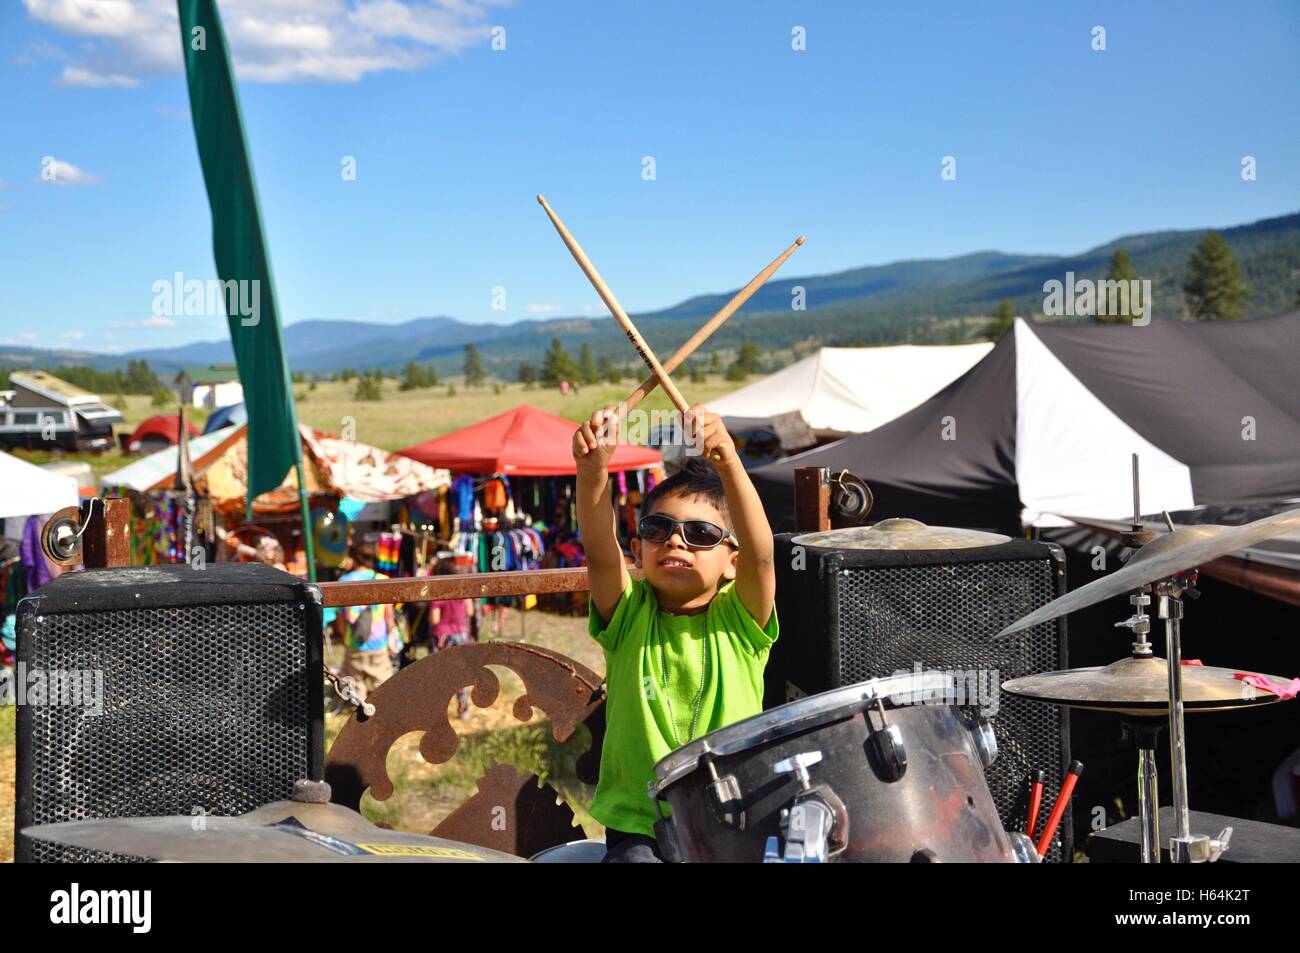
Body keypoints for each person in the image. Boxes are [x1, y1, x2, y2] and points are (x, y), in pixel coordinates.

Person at [573, 402, 778, 863]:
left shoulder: (741, 621)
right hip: (638, 825)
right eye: (658, 528)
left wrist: (726, 457)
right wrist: (592, 472)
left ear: (732, 562)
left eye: (701, 533)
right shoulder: (627, 615)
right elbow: (599, 550)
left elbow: (763, 552)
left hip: (733, 817)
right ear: (639, 548)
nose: (675, 540)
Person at [335, 537, 396, 703]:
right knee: (383, 686)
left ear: (353, 558)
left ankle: (361, 719)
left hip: (354, 643)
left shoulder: (343, 583)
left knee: (355, 687)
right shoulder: (382, 580)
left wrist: (343, 637)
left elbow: (340, 619)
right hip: (378, 643)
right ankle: (384, 719)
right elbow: (388, 616)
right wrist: (392, 635)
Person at [429, 558, 476, 719]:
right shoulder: (462, 590)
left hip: (442, 636)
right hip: (461, 635)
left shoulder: (438, 594)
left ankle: (436, 711)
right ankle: (463, 709)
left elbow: (434, 619)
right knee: (461, 674)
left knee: (440, 673)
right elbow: (469, 611)